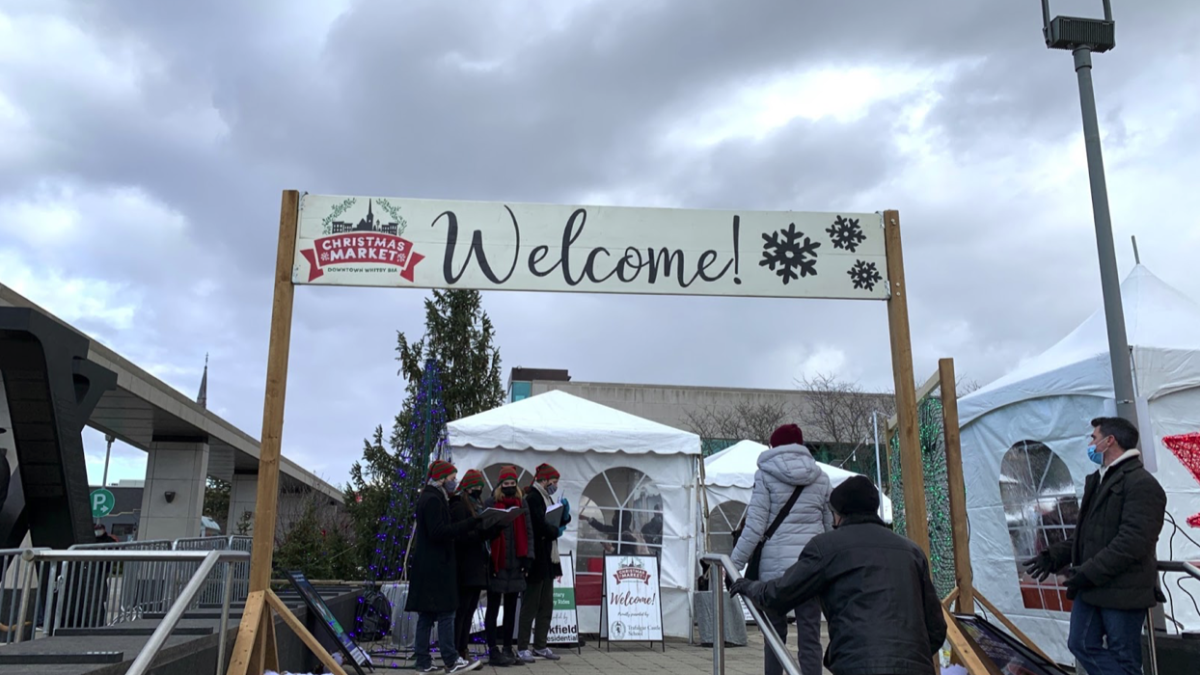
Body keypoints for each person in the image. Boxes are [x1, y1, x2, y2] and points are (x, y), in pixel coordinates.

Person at [730, 476, 947, 675]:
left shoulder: (826, 548)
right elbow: (936, 627)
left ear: (839, 513)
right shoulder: (912, 552)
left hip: (856, 663)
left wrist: (748, 585)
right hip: (915, 667)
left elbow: (779, 594)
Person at [1023, 417, 1167, 675]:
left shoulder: (1142, 484)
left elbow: (1133, 542)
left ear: (1109, 441)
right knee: (1080, 644)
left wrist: (1088, 571)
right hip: (1092, 586)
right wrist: (1053, 556)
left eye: (1093, 437)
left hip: (1123, 590)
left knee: (1124, 657)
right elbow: (1086, 534)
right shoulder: (1099, 481)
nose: (1090, 443)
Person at [728, 423, 832, 675]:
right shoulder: (822, 477)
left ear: (774, 445)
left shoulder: (765, 475)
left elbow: (754, 526)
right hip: (811, 568)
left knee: (773, 635)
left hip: (774, 571)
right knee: (810, 635)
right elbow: (830, 528)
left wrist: (734, 564)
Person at [405, 459, 483, 674]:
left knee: (428, 616)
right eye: (451, 478)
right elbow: (439, 532)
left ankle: (423, 661)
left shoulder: (432, 497)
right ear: (441, 478)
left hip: (429, 565)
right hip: (436, 565)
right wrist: (469, 523)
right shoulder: (432, 499)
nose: (454, 481)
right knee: (447, 613)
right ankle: (450, 659)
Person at [517, 463, 570, 663]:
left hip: (548, 558)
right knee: (531, 604)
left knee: (546, 605)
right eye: (554, 482)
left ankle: (540, 644)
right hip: (537, 558)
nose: (555, 486)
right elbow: (539, 525)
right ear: (545, 480)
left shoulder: (547, 498)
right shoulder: (533, 498)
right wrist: (555, 530)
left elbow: (552, 521)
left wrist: (564, 516)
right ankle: (522, 646)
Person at [484, 466, 533, 667]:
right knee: (493, 607)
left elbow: (528, 532)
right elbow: (485, 532)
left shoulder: (522, 504)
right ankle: (492, 649)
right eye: (507, 484)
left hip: (516, 562)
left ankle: (507, 647)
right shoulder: (492, 503)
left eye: (513, 484)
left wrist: (528, 558)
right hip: (498, 561)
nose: (510, 487)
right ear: (500, 485)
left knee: (512, 608)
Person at [449, 469, 496, 663]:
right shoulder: (459, 506)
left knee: (469, 610)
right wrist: (480, 533)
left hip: (478, 563)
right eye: (475, 486)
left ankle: (463, 647)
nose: (478, 490)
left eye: (480, 487)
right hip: (466, 564)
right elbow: (461, 534)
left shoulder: (477, 505)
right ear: (467, 487)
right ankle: (457, 649)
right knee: (462, 610)